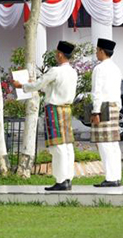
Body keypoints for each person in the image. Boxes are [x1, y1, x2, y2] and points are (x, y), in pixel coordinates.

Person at [13, 41, 77, 191]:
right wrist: (35, 84)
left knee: (57, 146)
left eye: (56, 53)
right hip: (66, 109)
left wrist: (21, 85)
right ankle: (67, 179)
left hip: (55, 110)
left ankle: (61, 180)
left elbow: (38, 85)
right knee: (67, 146)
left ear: (60, 54)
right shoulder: (72, 72)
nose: (56, 55)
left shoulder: (55, 70)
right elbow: (49, 87)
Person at [91, 38, 122, 187]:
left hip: (103, 107)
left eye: (97, 50)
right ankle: (116, 177)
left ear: (102, 51)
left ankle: (110, 178)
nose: (96, 53)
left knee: (104, 144)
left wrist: (95, 111)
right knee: (114, 144)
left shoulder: (100, 68)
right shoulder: (116, 68)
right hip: (115, 106)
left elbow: (97, 91)